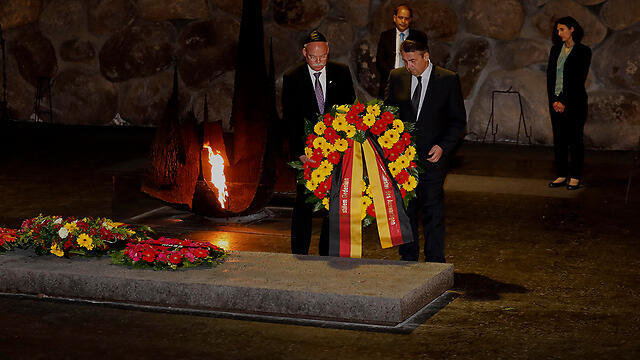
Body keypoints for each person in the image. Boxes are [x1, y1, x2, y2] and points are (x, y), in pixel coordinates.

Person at [384, 39, 466, 263]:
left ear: (426, 56)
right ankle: (408, 257)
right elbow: (387, 114)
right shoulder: (397, 76)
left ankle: (435, 261)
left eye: (412, 60)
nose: (408, 65)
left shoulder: (447, 79)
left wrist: (443, 146)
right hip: (403, 159)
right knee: (406, 209)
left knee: (432, 209)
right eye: (405, 60)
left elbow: (458, 121)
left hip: (433, 156)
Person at [282, 30, 356, 256]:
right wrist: (299, 152)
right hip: (308, 153)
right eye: (313, 57)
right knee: (304, 203)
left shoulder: (341, 72)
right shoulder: (292, 77)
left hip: (335, 151)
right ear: (304, 53)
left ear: (328, 51)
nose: (317, 62)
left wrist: (344, 145)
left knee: (332, 205)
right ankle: (299, 253)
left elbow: (350, 111)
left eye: (322, 57)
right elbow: (289, 119)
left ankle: (328, 252)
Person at [546, 16, 591, 191]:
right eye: (557, 30)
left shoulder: (584, 51)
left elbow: (578, 79)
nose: (559, 33)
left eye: (562, 29)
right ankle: (561, 174)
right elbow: (550, 77)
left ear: (572, 29)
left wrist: (564, 100)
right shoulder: (555, 50)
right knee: (559, 140)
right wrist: (554, 100)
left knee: (575, 140)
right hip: (556, 102)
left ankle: (575, 176)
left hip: (575, 102)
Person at [376, 4, 428, 98]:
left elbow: (424, 60)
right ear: (395, 18)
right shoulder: (385, 36)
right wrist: (394, 75)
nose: (403, 21)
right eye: (400, 18)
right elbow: (380, 60)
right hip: (389, 80)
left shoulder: (419, 36)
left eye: (406, 18)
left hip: (412, 80)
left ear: (410, 20)